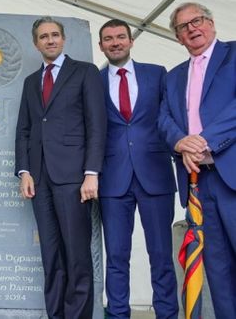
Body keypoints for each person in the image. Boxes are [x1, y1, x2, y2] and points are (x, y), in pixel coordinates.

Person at [14, 16, 106, 319]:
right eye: (43, 36)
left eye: (55, 35)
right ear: (36, 43)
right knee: (50, 255)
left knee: (77, 255)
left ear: (63, 39)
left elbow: (97, 124)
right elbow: (24, 130)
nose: (50, 40)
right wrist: (24, 171)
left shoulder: (85, 72)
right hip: (39, 179)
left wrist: (91, 173)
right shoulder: (31, 82)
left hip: (74, 178)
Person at [158, 2, 236, 318]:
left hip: (230, 174)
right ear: (178, 38)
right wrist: (180, 141)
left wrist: (202, 141)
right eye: (183, 27)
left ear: (212, 23)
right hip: (197, 183)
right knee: (216, 266)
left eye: (198, 20)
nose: (192, 29)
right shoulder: (173, 76)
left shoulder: (233, 55)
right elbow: (162, 117)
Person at [97, 19, 178, 318]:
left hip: (155, 175)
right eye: (108, 39)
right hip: (112, 180)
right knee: (117, 256)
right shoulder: (94, 79)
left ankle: (167, 313)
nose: (115, 42)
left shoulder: (157, 74)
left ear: (131, 41)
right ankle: (118, 314)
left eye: (120, 37)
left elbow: (170, 117)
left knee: (161, 255)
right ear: (101, 45)